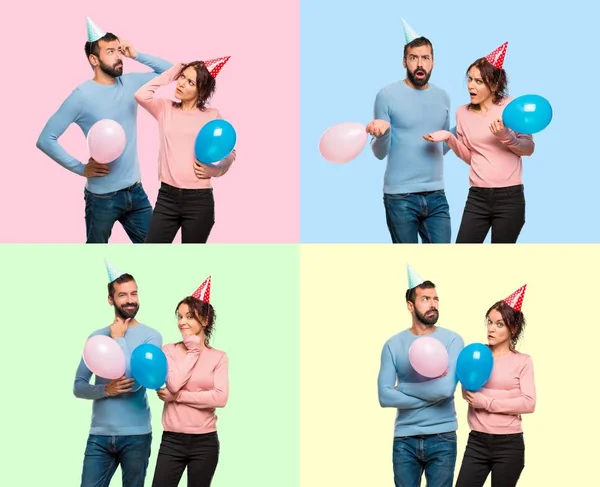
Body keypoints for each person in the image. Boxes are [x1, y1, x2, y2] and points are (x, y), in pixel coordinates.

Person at [36, 17, 173, 243]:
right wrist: (80, 168)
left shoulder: (131, 83)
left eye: (119, 50)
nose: (119, 56)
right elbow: (46, 139)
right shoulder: (81, 95)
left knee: (158, 249)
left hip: (136, 192)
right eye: (110, 51)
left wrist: (136, 54)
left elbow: (172, 72)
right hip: (102, 199)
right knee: (95, 257)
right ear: (94, 59)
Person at [424, 42, 535, 244]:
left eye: (478, 81)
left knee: (500, 262)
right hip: (477, 197)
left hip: (509, 198)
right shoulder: (462, 114)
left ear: (494, 85)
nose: (471, 86)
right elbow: (472, 157)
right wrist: (449, 138)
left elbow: (528, 149)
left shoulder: (512, 108)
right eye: (470, 79)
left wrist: (505, 136)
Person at [73, 259, 163, 487]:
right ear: (110, 300)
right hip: (99, 437)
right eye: (122, 295)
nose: (130, 299)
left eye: (134, 293)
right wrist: (106, 389)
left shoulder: (151, 336)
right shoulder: (96, 337)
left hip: (137, 436)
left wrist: (120, 338)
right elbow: (79, 385)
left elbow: (134, 382)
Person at [366, 19, 454, 244]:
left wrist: (457, 133)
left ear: (433, 61)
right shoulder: (386, 95)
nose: (420, 64)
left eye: (425, 58)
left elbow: (442, 147)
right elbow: (379, 153)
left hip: (437, 195)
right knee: (408, 261)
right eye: (413, 58)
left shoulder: (443, 97)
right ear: (404, 61)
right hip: (400, 196)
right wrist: (383, 132)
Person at [377, 264, 465, 487]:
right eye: (425, 299)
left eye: (436, 299)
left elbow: (445, 390)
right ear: (410, 305)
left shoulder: (453, 340)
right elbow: (385, 397)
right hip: (405, 439)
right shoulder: (392, 344)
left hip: (443, 436)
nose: (433, 304)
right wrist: (431, 394)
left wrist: (404, 387)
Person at [134, 59, 236, 244]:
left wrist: (216, 170)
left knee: (192, 262)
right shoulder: (165, 108)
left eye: (191, 82)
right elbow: (141, 95)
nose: (181, 83)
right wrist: (171, 73)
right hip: (166, 198)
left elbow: (229, 152)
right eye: (182, 77)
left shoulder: (211, 116)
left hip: (199, 201)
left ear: (201, 90)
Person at [152, 276, 229, 487]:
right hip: (171, 441)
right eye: (180, 316)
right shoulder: (169, 351)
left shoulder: (219, 357)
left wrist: (177, 397)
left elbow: (220, 398)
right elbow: (174, 383)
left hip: (205, 443)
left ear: (204, 321)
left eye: (189, 316)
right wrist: (193, 350)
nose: (182, 322)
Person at [455, 285, 536, 487]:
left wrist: (487, 402)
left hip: (509, 445)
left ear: (513, 328)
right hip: (477, 442)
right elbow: (467, 386)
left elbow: (529, 403)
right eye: (490, 322)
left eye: (499, 324)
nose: (491, 328)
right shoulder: (476, 354)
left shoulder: (523, 361)